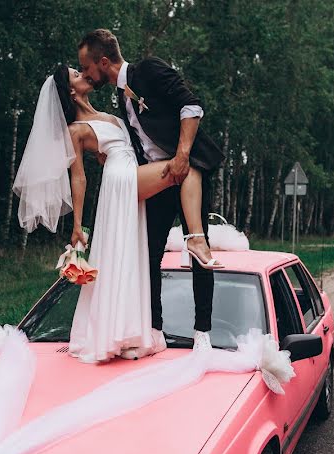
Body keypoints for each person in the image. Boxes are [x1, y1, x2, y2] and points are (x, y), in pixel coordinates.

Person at [12, 65, 220, 364]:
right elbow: (79, 178)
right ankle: (196, 238)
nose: (83, 74)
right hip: (121, 182)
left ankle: (142, 328)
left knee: (137, 256)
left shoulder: (111, 111)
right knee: (185, 167)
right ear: (70, 91)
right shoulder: (75, 130)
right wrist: (78, 226)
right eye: (75, 74)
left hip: (133, 172)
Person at [77, 29, 225, 358]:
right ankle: (155, 328)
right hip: (156, 180)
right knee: (149, 254)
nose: (87, 74)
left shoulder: (149, 69)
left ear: (103, 61)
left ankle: (202, 333)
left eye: (87, 67)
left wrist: (183, 155)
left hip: (186, 173)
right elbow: (139, 138)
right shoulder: (119, 95)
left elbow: (191, 106)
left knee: (199, 252)